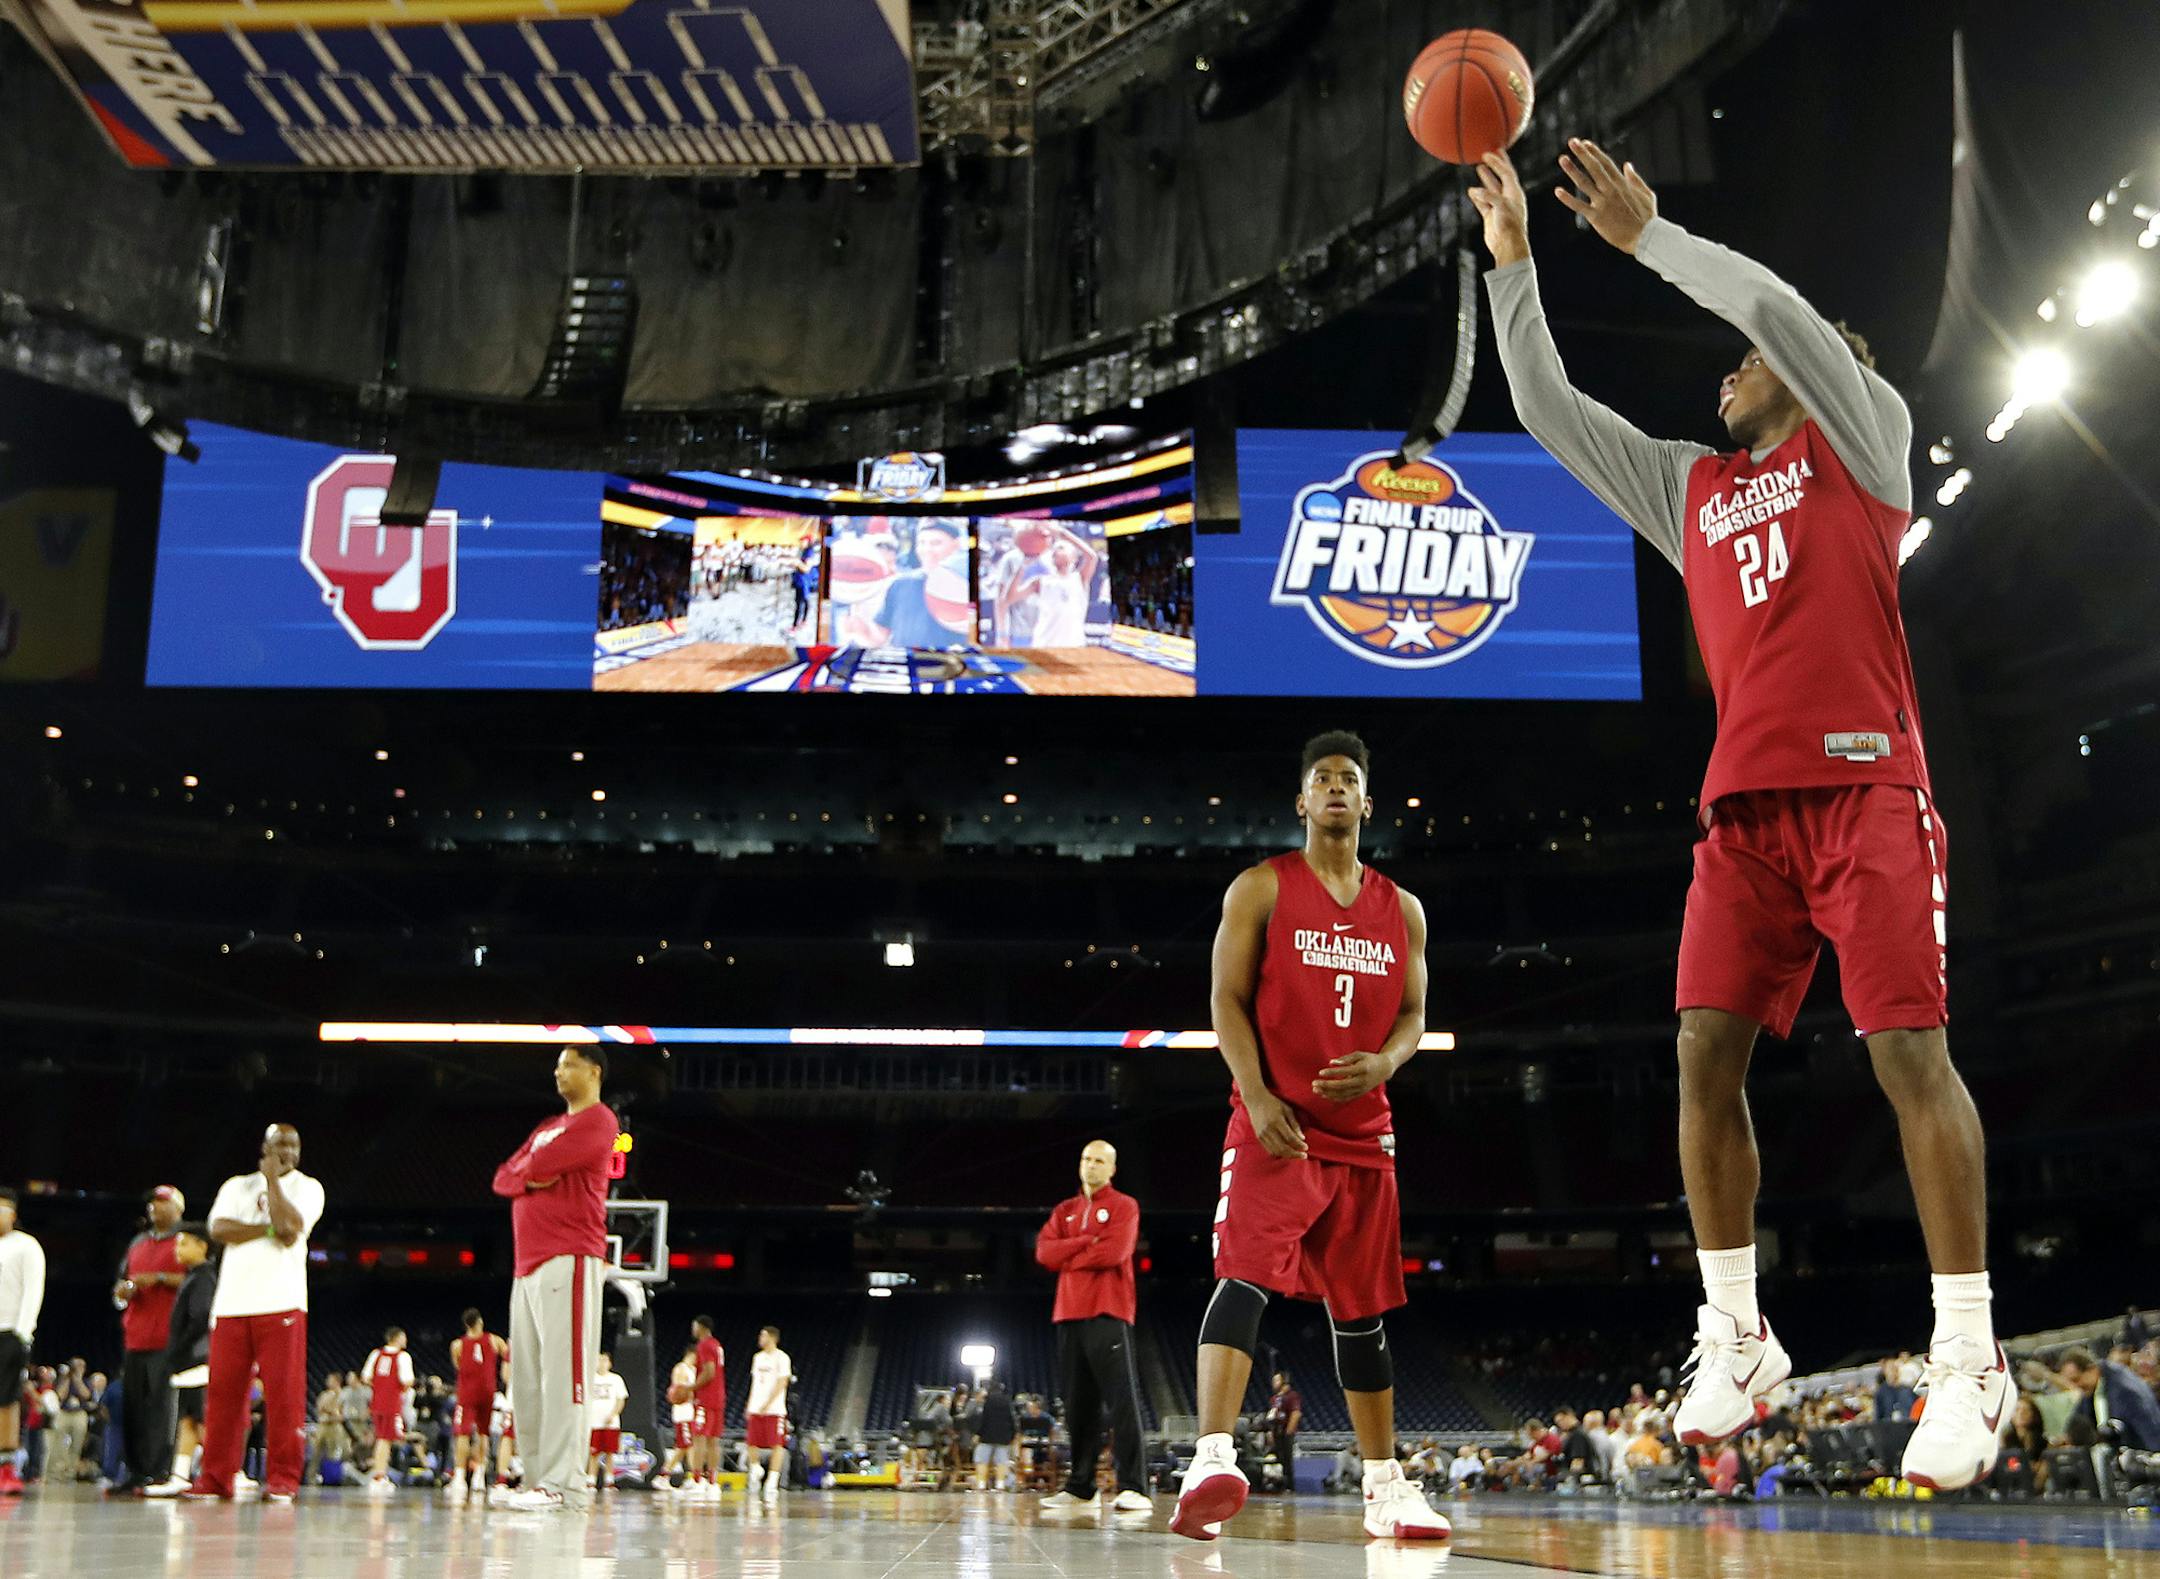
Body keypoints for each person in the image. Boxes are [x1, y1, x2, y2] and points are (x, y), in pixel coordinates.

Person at [1470, 139, 2000, 1491]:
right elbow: (1547, 410)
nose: (1725, 370)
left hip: (1867, 786)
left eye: (1752, 363)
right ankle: (1737, 1331)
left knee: (1906, 1061)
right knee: (1703, 1053)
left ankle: (1969, 1354)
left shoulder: (1868, 443)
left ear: (1824, 370)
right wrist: (1516, 270)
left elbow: (1770, 312)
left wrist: (1652, 240)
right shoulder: (1690, 488)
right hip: (1745, 820)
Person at [1172, 732, 1448, 1543]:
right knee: (1246, 1276)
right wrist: (1254, 1095)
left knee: (1362, 1315)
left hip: (1364, 1134)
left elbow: (1414, 1014)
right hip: (1280, 1124)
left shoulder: (1403, 909)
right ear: (1302, 801)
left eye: (1348, 779)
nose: (1334, 787)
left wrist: (1387, 1063)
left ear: (1366, 804)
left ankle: (1385, 1487)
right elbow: (1225, 999)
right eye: (1321, 778)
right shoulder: (1260, 888)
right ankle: (1211, 1456)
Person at [491, 1045, 619, 1515]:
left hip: (570, 1256)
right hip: (527, 1264)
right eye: (558, 1064)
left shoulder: (600, 1120)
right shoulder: (547, 1127)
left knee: (564, 1376)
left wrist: (529, 1174)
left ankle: (564, 1483)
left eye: (568, 1064)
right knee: (525, 1379)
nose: (557, 1071)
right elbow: (503, 1178)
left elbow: (536, 1168)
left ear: (594, 1071)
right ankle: (537, 1478)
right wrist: (528, 1176)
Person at [185, 1124, 324, 1503]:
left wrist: (273, 1183)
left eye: (294, 1146)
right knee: (223, 1397)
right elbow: (218, 1229)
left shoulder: (308, 1187)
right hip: (231, 1304)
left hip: (283, 1303)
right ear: (264, 1148)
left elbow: (290, 1229)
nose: (288, 1153)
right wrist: (267, 1229)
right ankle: (215, 1478)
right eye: (280, 1145)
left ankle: (282, 1479)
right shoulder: (235, 1186)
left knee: (284, 1397)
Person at [1033, 1139, 1152, 1516]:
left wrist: (1069, 1251)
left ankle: (1135, 1486)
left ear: (1112, 1169)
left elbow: (1115, 1252)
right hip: (1068, 1313)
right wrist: (1086, 1242)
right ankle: (1081, 1488)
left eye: (1100, 1161)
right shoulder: (1064, 1210)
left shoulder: (1124, 1206)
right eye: (1086, 1159)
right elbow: (1043, 1252)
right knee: (1078, 1404)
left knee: (1121, 1401)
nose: (1091, 1166)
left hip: (1108, 1311)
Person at [109, 1185, 188, 1495]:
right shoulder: (137, 1243)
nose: (155, 1207)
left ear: (178, 1208)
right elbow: (120, 1285)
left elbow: (196, 1279)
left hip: (168, 1338)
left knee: (160, 1408)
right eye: (152, 1203)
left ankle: (158, 1471)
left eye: (162, 1202)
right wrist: (123, 1292)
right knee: (133, 1408)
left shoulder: (186, 1242)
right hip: (135, 1337)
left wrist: (157, 1278)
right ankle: (135, 1471)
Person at [145, 1223, 216, 1497]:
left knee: (200, 1419)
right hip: (190, 1360)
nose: (177, 1249)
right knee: (189, 1418)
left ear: (202, 1246)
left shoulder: (204, 1277)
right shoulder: (193, 1276)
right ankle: (180, 1474)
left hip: (197, 1358)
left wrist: (177, 1349)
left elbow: (199, 1318)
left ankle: (223, 1471)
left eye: (184, 1243)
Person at [0, 1187, 46, 1498]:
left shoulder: (26, 1246)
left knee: (6, 1399)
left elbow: (33, 1290)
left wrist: (23, 1332)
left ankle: (6, 1467)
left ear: (13, 1214)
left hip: (9, 1331)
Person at [449, 1308, 507, 1498]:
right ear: (480, 1321)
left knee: (463, 1434)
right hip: (487, 1391)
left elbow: (458, 1366)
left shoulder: (457, 1345)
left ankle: (459, 1477)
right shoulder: (494, 1340)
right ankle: (479, 1476)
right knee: (483, 1433)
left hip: (466, 1393)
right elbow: (507, 1357)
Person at [2059, 1346, 2160, 1452]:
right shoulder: (2093, 1388)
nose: (2076, 1386)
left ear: (2091, 1369)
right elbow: (2078, 1418)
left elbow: (2151, 1432)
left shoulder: (2124, 1390)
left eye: (2076, 1379)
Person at [744, 1325, 795, 1505]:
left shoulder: (782, 1357)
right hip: (756, 1407)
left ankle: (773, 1480)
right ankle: (756, 1468)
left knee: (777, 1444)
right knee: (751, 1442)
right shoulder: (757, 1358)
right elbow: (755, 1382)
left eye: (763, 1335)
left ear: (772, 1338)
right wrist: (751, 1404)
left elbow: (783, 1383)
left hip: (775, 1409)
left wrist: (767, 1402)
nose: (760, 1338)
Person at [360, 1328, 414, 1494]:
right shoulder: (403, 1356)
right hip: (392, 1403)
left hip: (377, 1403)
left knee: (382, 1438)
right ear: (397, 1338)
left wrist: (380, 1388)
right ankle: (379, 1477)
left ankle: (379, 1475)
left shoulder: (376, 1354)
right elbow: (407, 1380)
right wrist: (397, 1390)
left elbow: (365, 1377)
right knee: (386, 1440)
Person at [686, 1314, 726, 1501]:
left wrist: (691, 1388)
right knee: (713, 1441)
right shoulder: (716, 1344)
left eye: (694, 1326)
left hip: (706, 1398)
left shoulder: (704, 1345)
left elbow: (709, 1372)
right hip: (719, 1397)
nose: (693, 1329)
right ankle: (712, 1481)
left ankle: (697, 1480)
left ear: (701, 1327)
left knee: (699, 1439)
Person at [657, 1346, 698, 1491]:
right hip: (682, 1411)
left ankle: (664, 1475)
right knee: (688, 1445)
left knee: (683, 1446)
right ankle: (694, 1478)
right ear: (691, 1354)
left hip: (689, 1410)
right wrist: (690, 1394)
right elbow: (678, 1391)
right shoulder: (680, 1369)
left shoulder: (692, 1370)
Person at [586, 1351, 627, 1494]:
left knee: (610, 1452)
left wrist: (613, 1414)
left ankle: (609, 1481)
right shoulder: (590, 1379)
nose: (601, 1363)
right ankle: (591, 1481)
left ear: (610, 1363)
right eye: (598, 1360)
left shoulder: (616, 1379)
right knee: (593, 1453)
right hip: (594, 1421)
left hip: (611, 1422)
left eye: (604, 1360)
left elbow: (621, 1399)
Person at [971, 1378, 1018, 1493]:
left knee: (982, 1461)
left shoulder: (987, 1401)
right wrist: (1013, 1434)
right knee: (1002, 1461)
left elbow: (983, 1419)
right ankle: (1000, 1486)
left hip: (986, 1436)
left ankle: (981, 1485)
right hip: (1003, 1436)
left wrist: (978, 1433)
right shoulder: (1007, 1401)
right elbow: (1012, 1419)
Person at [1264, 1371, 1302, 1492]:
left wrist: (1288, 1432)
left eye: (1276, 1380)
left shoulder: (1292, 1396)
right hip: (1276, 1432)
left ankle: (1289, 1486)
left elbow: (1296, 1413)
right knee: (1276, 1458)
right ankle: (1276, 1483)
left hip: (1285, 1432)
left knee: (1287, 1460)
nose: (1274, 1383)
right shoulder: (1274, 1398)